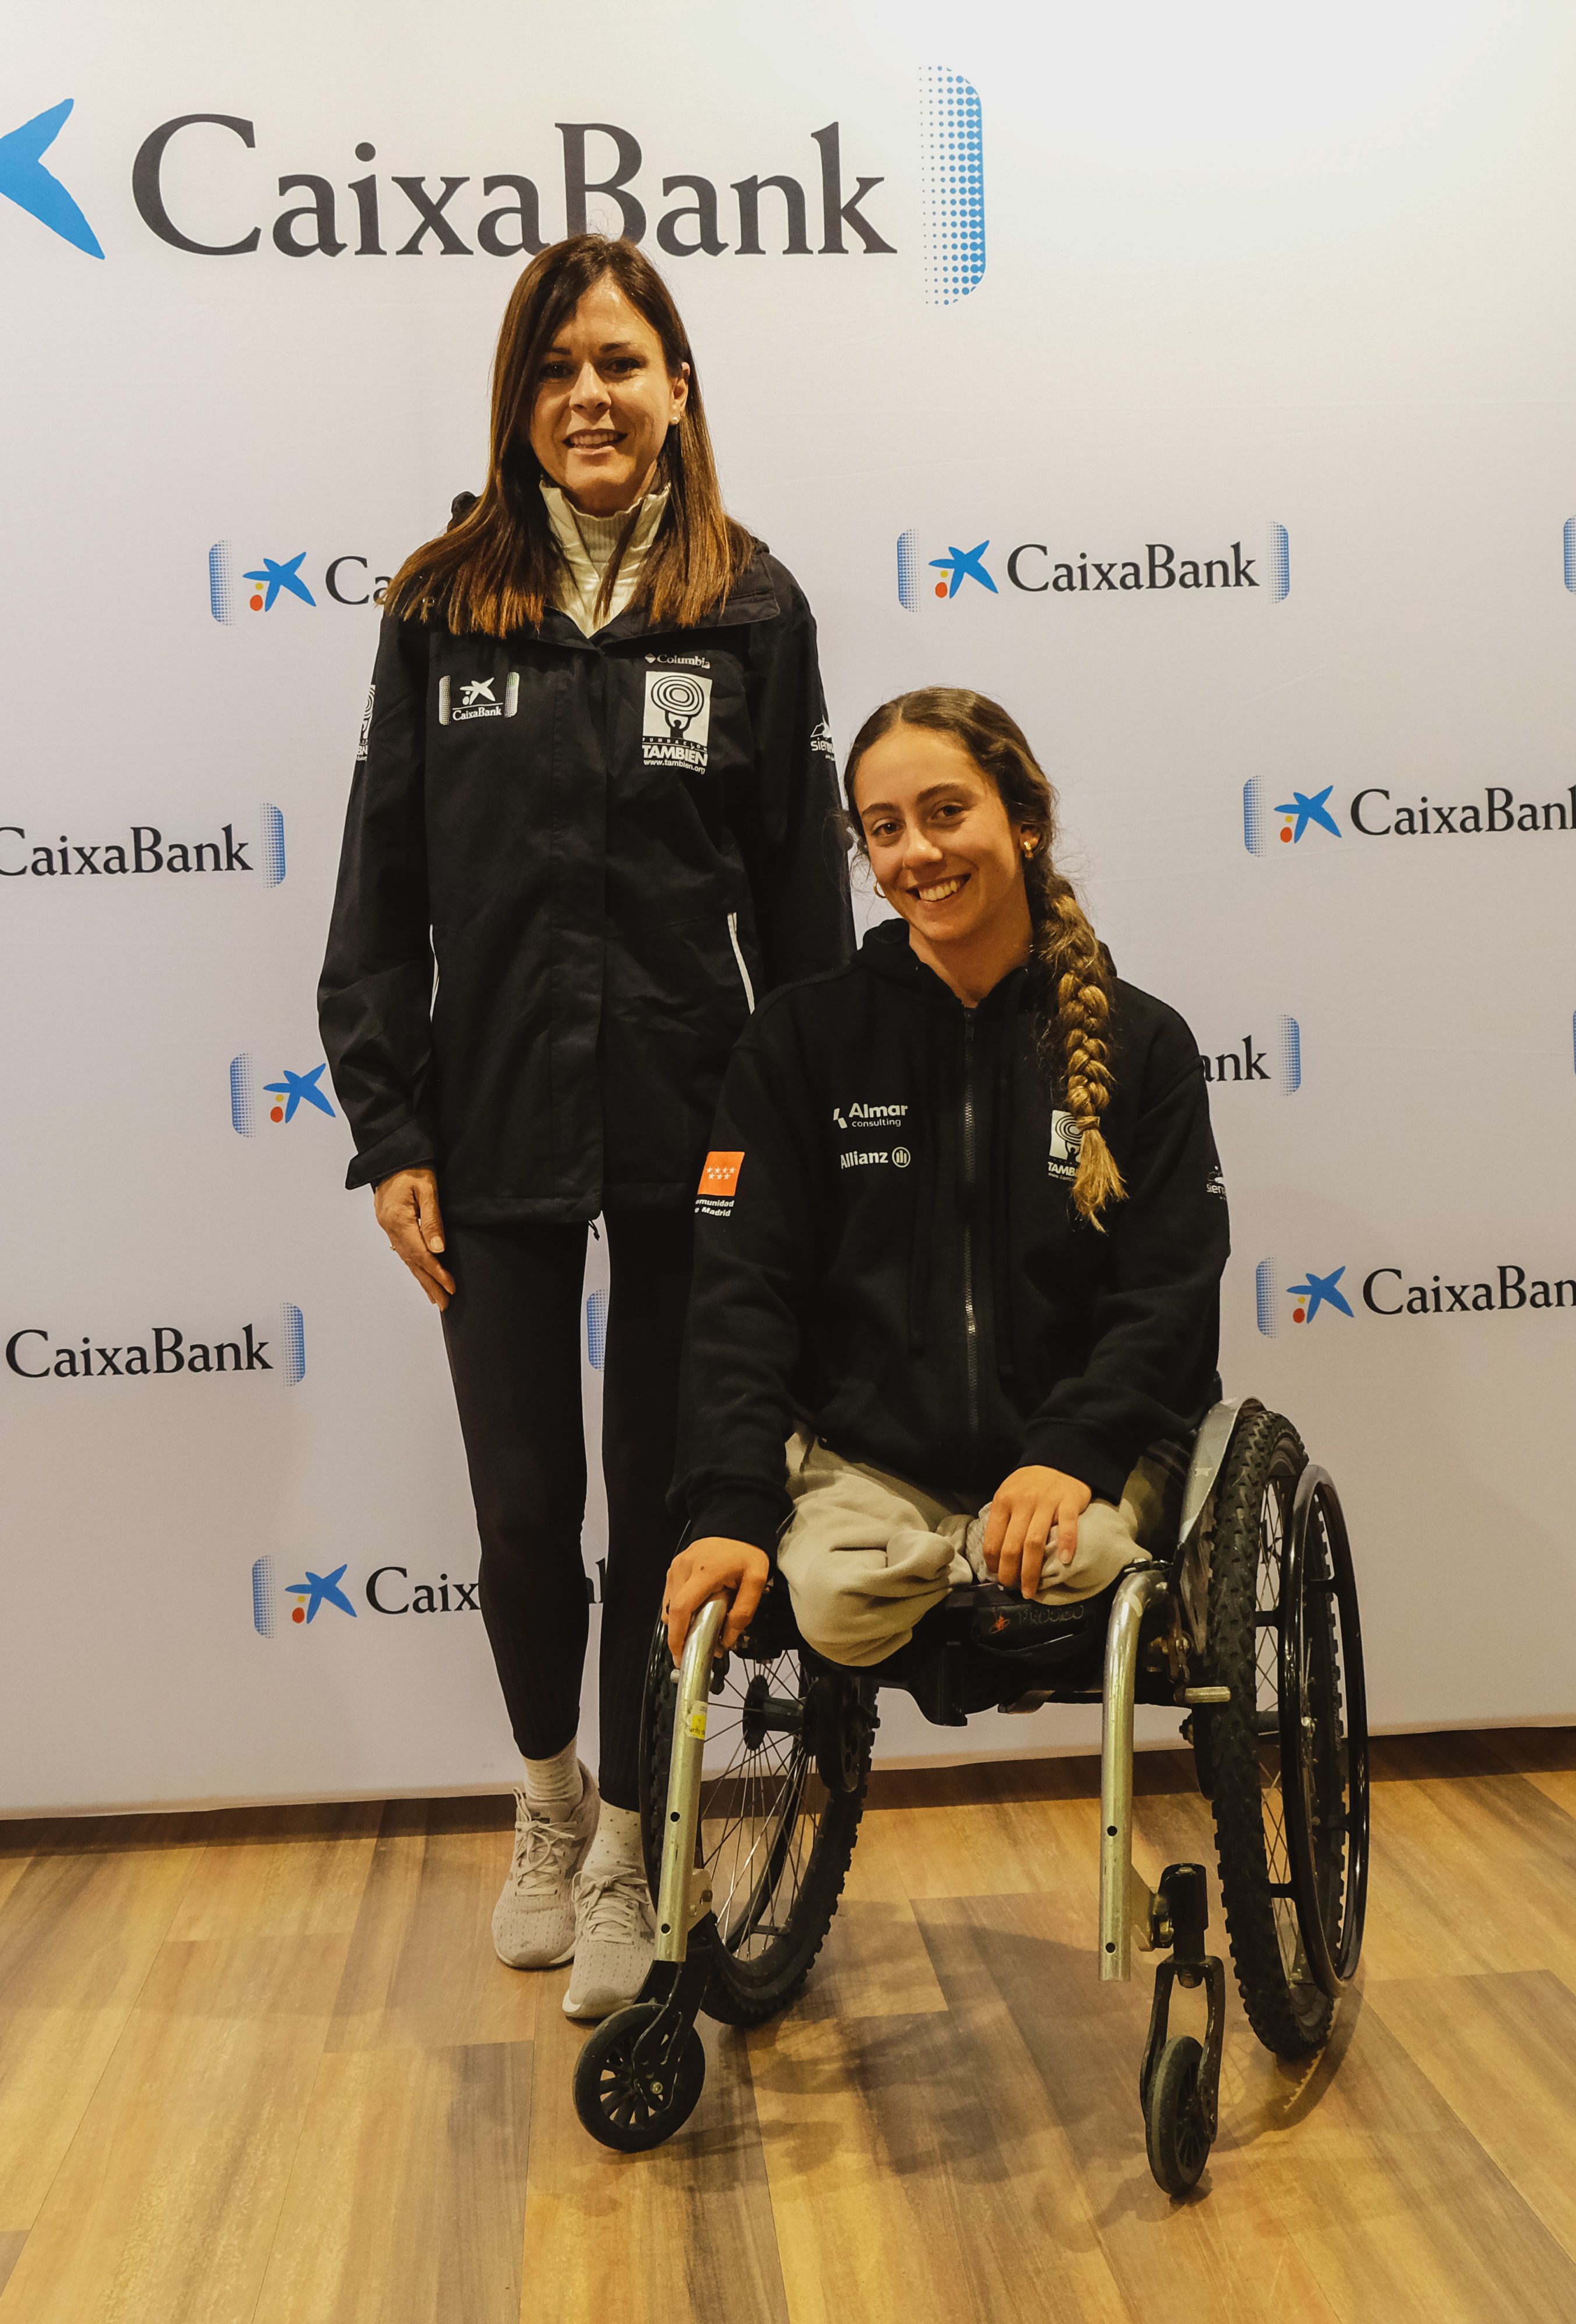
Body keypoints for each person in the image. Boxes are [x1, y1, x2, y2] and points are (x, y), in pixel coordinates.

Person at [318, 236, 850, 2022]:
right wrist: (392, 1126)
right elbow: (382, 890)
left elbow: (802, 917)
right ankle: (545, 1802)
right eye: (557, 370)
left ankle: (639, 1841)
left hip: (699, 1123)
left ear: (678, 388)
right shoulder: (441, 603)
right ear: (520, 402)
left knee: (669, 1512)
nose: (591, 397)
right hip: (489, 1121)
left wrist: (812, 1145)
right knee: (527, 1511)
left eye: (621, 363)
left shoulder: (751, 607)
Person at [661, 688, 1229, 1689]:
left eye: (945, 812)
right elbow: (739, 1297)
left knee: (1074, 1565)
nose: (917, 853)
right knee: (833, 1603)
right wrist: (733, 1506)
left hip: (1080, 1460)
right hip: (869, 1467)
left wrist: (1072, 1452)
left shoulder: (1145, 1043)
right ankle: (949, 1553)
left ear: (1025, 819)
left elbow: (1170, 1292)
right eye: (885, 830)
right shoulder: (801, 1041)